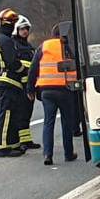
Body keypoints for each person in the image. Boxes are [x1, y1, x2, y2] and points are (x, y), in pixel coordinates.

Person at [26, 24, 79, 166]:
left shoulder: (43, 46)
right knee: (66, 123)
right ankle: (68, 154)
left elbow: (33, 69)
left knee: (48, 123)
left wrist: (30, 89)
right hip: (65, 89)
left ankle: (47, 155)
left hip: (46, 90)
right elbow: (77, 65)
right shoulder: (66, 47)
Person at [0, 8, 27, 157]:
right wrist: (24, 70)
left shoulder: (0, 39)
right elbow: (12, 62)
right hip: (8, 81)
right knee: (6, 115)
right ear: (11, 25)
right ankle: (3, 147)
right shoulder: (6, 41)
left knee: (13, 114)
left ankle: (13, 144)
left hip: (6, 81)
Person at [12, 15, 40, 150]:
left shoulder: (28, 46)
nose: (25, 31)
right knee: (21, 113)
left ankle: (27, 140)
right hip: (20, 85)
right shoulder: (14, 45)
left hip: (29, 84)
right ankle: (21, 141)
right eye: (22, 29)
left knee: (28, 112)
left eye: (27, 29)